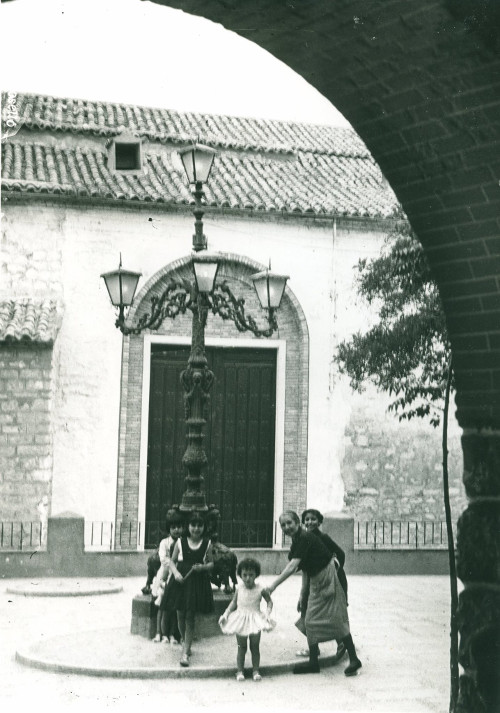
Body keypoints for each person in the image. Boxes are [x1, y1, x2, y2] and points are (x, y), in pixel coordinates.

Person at [264, 510, 362, 676]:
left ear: (297, 523)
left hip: (329, 579)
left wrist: (272, 586)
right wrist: (303, 595)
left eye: (290, 523)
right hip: (317, 581)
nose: (286, 527)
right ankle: (313, 663)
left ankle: (354, 659)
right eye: (283, 525)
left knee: (338, 619)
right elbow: (305, 570)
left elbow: (293, 566)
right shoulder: (297, 541)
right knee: (309, 619)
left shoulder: (304, 538)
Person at [295, 508, 349, 659]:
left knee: (330, 613)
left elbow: (341, 554)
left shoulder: (323, 537)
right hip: (314, 582)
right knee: (307, 612)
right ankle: (315, 648)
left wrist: (333, 571)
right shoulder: (304, 539)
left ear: (319, 522)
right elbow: (305, 568)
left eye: (313, 519)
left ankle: (341, 642)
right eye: (306, 519)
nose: (309, 522)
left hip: (330, 580)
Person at [166, 511, 215, 667]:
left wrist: (203, 567)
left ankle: (185, 652)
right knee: (180, 614)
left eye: (200, 525)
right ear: (188, 526)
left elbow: (211, 563)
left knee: (190, 617)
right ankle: (185, 643)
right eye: (193, 525)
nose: (196, 528)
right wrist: (175, 573)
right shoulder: (180, 542)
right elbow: (171, 561)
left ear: (203, 527)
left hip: (197, 583)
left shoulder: (207, 543)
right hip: (181, 580)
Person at [219, 557, 275, 682]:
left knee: (255, 646)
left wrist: (268, 612)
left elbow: (269, 602)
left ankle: (256, 670)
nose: (248, 578)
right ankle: (240, 671)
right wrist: (226, 614)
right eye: (244, 575)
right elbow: (233, 603)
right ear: (240, 575)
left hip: (255, 619)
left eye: (251, 575)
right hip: (240, 619)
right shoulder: (239, 588)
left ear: (256, 575)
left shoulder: (261, 589)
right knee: (241, 647)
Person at [152, 512, 183, 644]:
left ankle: (172, 634)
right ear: (169, 529)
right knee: (162, 604)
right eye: (173, 527)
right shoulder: (164, 543)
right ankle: (159, 633)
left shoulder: (183, 542)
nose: (176, 530)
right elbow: (163, 559)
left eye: (179, 527)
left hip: (177, 576)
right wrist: (173, 564)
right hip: (166, 574)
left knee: (174, 606)